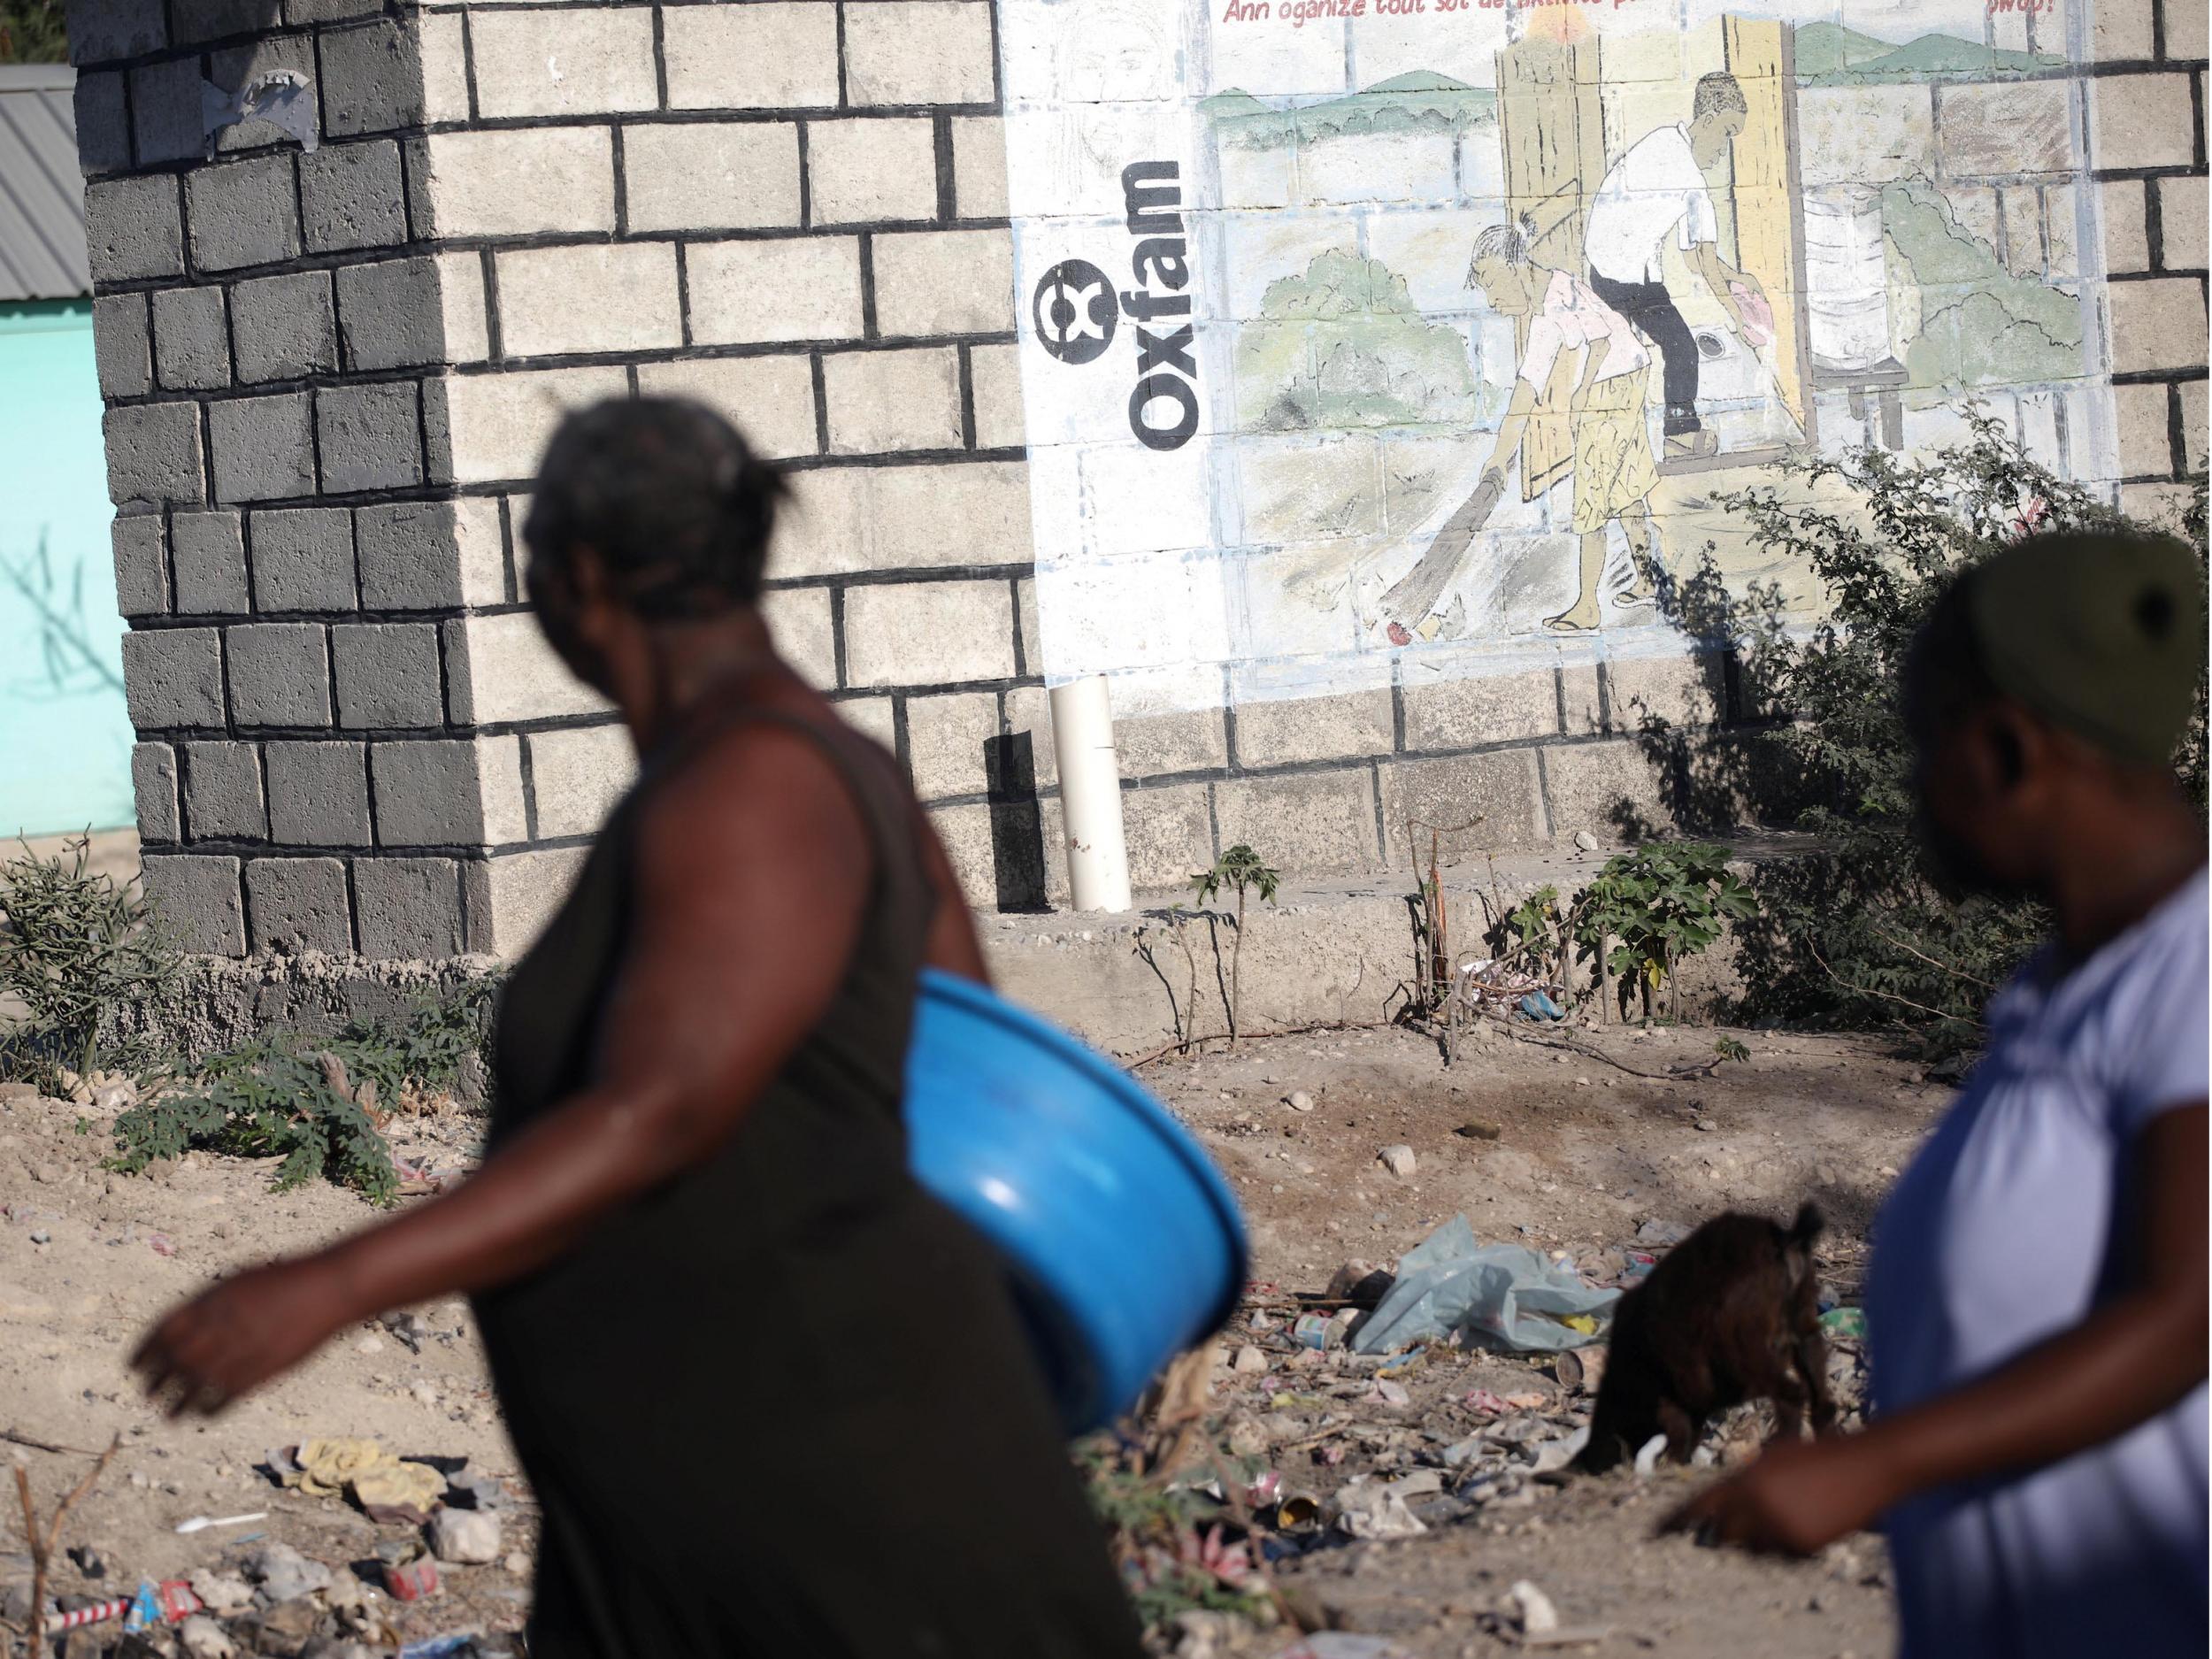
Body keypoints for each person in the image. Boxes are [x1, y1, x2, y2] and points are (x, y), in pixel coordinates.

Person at [132, 398, 1148, 1659]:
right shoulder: (811, 771)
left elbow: (663, 1104)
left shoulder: (756, 786)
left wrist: (325, 1283)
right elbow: (976, 1071)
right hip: (705, 1502)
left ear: (579, 576)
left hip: (830, 1506)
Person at [1663, 529, 2209, 1657]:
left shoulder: (2193, 976)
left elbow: (2187, 1315)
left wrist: (1876, 1463)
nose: (1912, 789)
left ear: (2008, 750)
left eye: (1926, 746)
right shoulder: (2065, 996)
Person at [1383, 215, 1663, 641]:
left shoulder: (1558, 294)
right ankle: (1648, 579)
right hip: (1630, 371)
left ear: (1513, 268)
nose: (1491, 299)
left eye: (1492, 283)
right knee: (1625, 489)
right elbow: (1525, 389)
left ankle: (1588, 606)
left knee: (1592, 497)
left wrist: (1582, 393)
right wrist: (1499, 456)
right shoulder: (1543, 316)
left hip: (1612, 383)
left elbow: (1603, 337)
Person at [1583, 71, 1767, 464]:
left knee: (1623, 359)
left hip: (1607, 268)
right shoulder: (1690, 179)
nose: (1725, 148)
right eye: (1727, 132)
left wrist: (1735, 277)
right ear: (1708, 118)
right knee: (1680, 350)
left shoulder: (1667, 140)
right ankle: (1678, 436)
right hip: (1624, 276)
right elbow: (1700, 260)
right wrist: (1739, 317)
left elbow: (1692, 258)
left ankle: (1638, 441)